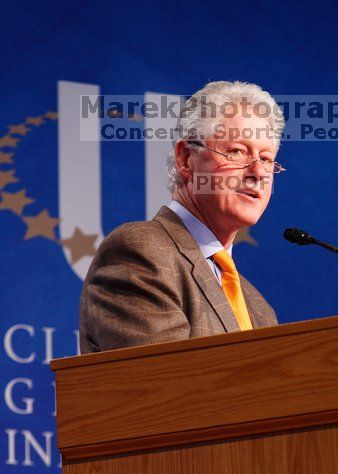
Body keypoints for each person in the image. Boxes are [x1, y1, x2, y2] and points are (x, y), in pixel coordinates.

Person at [79, 81, 286, 353]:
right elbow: (166, 385)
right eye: (237, 151)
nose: (258, 172)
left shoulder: (260, 309)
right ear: (186, 158)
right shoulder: (140, 252)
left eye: (267, 158)